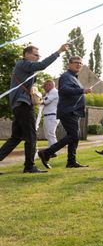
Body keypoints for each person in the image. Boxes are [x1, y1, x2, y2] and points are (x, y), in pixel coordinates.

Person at [0, 43, 68, 174]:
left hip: (20, 105)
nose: (38, 57)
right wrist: (59, 51)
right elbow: (42, 65)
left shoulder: (25, 67)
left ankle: (28, 165)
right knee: (31, 136)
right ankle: (29, 166)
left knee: (16, 137)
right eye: (36, 55)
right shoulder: (23, 64)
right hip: (23, 105)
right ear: (27, 55)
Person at [38, 56, 92, 168]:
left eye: (80, 63)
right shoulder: (66, 76)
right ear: (69, 64)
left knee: (73, 136)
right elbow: (63, 90)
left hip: (74, 111)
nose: (79, 65)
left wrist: (82, 91)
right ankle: (47, 153)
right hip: (68, 111)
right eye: (76, 62)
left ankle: (71, 161)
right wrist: (82, 90)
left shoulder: (74, 78)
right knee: (74, 135)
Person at [41, 79, 59, 147]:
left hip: (52, 116)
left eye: (45, 86)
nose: (44, 88)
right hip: (48, 116)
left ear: (49, 85)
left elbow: (45, 101)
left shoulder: (54, 92)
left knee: (51, 134)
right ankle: (50, 150)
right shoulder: (49, 93)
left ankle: (54, 151)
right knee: (48, 135)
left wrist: (36, 101)